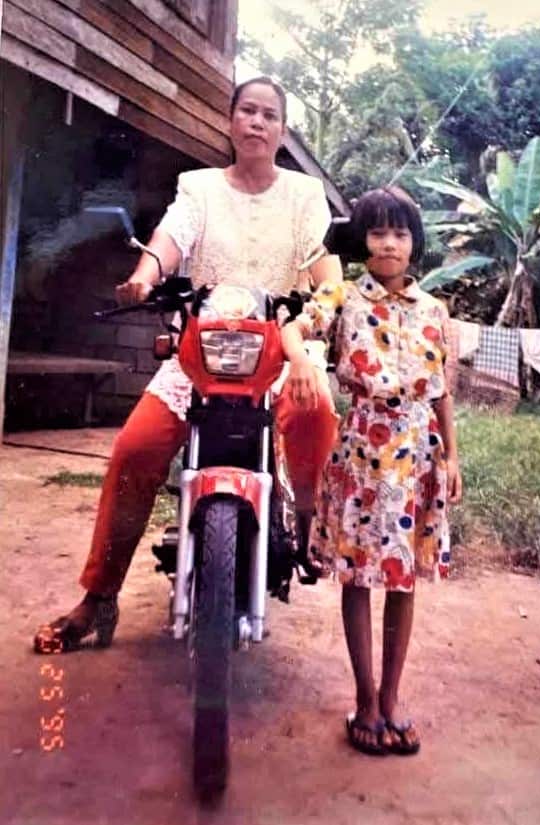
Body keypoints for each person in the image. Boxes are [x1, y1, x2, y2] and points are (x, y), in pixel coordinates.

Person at [33, 76, 341, 654]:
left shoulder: (304, 194)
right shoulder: (197, 186)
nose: (256, 122)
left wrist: (320, 309)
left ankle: (306, 522)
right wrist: (145, 276)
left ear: (282, 129)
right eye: (246, 111)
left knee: (316, 409)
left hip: (282, 348)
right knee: (134, 449)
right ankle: (99, 598)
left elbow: (322, 264)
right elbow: (173, 235)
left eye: (268, 114)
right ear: (230, 121)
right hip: (202, 350)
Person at [281, 185, 462, 756]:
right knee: (359, 577)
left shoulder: (435, 311)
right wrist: (298, 365)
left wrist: (452, 457)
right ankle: (363, 699)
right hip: (361, 454)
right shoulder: (341, 298)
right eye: (379, 232)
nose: (389, 243)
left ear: (414, 243)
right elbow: (293, 329)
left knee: (403, 580)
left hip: (418, 460)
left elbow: (441, 393)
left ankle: (391, 699)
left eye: (401, 233)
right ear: (362, 239)